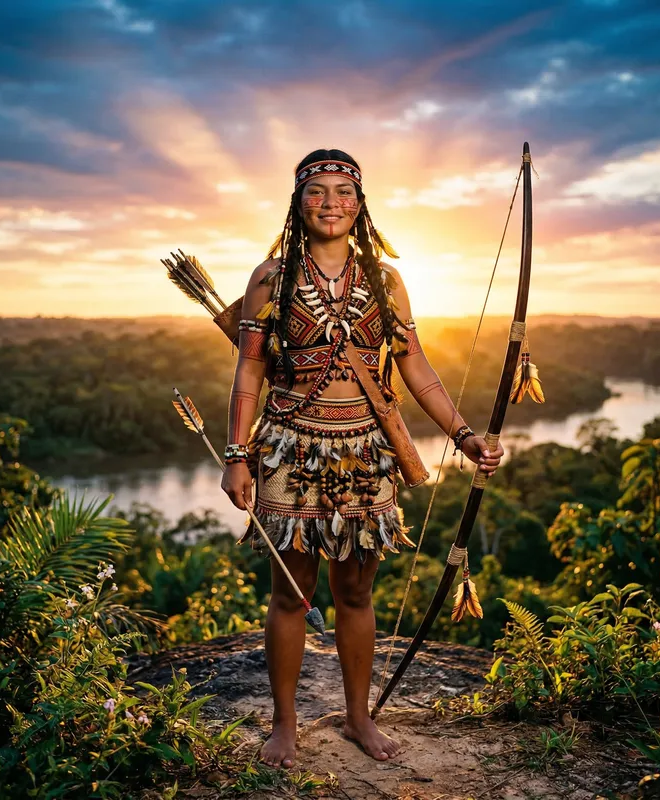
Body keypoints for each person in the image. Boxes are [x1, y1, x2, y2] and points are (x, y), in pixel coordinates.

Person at [221, 149, 504, 767]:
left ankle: (357, 717)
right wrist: (236, 455)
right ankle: (285, 726)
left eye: (343, 192)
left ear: (360, 203)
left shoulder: (385, 280)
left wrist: (463, 435)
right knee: (291, 593)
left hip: (366, 452)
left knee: (355, 592)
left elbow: (415, 366)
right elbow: (248, 372)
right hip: (289, 448)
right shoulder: (271, 277)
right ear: (298, 202)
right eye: (317, 191)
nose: (331, 203)